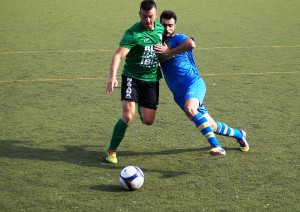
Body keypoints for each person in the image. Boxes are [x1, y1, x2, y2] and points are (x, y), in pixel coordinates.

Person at [154, 10, 249, 156]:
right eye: (164, 25)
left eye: (171, 25)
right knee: (211, 125)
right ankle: (239, 134)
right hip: (179, 94)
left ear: (175, 26)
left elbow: (191, 44)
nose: (167, 29)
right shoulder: (157, 45)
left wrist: (169, 52)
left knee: (190, 109)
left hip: (193, 83)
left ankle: (217, 146)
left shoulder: (179, 38)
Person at [104, 0, 164, 164]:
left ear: (156, 15)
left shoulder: (161, 29)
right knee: (127, 115)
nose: (147, 20)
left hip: (152, 80)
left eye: (150, 16)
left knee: (148, 120)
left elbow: (168, 47)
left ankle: (141, 109)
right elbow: (118, 56)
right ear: (140, 15)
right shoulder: (132, 33)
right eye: (144, 17)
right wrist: (112, 77)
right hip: (132, 78)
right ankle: (111, 151)